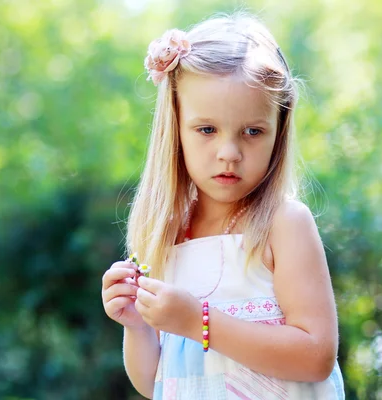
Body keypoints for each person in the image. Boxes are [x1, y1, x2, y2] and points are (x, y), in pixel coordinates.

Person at [101, 12, 345, 400]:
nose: (229, 152)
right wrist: (137, 326)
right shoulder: (167, 237)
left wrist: (198, 321)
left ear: (278, 133)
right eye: (207, 130)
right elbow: (158, 384)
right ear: (175, 130)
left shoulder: (283, 224)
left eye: (253, 131)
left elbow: (315, 356)